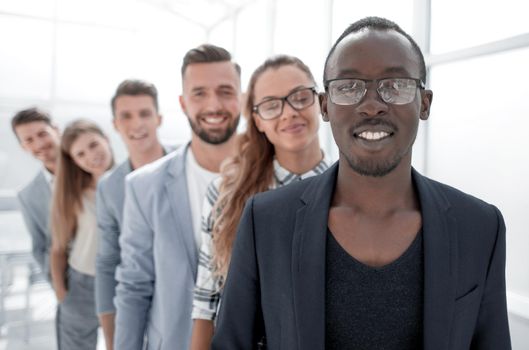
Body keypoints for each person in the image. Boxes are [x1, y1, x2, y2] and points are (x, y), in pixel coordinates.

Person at [212, 17, 511, 350]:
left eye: (395, 84)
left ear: (424, 103)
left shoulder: (480, 227)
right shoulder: (266, 221)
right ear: (325, 106)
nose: (371, 106)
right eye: (349, 87)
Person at [190, 55, 330, 350]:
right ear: (257, 121)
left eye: (300, 97)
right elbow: (206, 303)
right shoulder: (226, 195)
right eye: (271, 105)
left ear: (321, 102)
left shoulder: (351, 190)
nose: (289, 113)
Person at [114, 44, 241, 350]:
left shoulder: (274, 179)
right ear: (183, 103)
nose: (214, 105)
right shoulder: (143, 187)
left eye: (225, 91)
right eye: (199, 93)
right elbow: (134, 287)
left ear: (243, 99)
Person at [95, 79, 174, 350]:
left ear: (159, 119)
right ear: (115, 124)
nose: (136, 124)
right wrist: (112, 341)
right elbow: (108, 262)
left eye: (144, 113)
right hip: (141, 302)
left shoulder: (187, 163)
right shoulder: (109, 186)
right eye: (125, 116)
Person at [51, 119, 114, 350]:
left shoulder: (133, 184)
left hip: (121, 284)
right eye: (80, 154)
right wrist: (62, 295)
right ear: (74, 162)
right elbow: (57, 250)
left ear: (106, 139)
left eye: (94, 145)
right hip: (82, 286)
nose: (91, 155)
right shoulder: (73, 195)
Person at [12, 108, 60, 281]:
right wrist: (60, 290)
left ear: (56, 130)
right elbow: (40, 248)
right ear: (23, 147)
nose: (39, 144)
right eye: (29, 140)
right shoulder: (27, 196)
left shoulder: (91, 169)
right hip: (73, 294)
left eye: (42, 134)